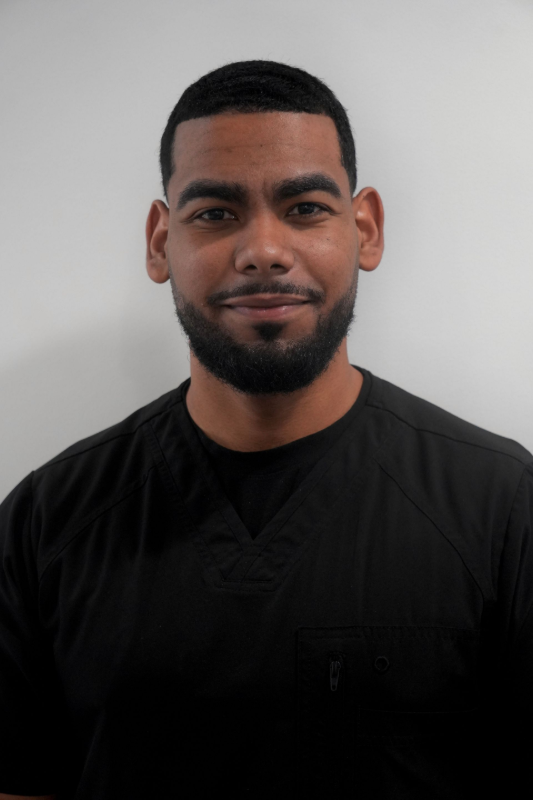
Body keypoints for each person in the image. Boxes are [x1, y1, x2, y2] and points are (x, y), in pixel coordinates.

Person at [0, 60, 531, 800]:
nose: (263, 251)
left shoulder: (502, 510)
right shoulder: (42, 525)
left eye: (306, 207)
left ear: (365, 229)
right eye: (214, 213)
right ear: (160, 242)